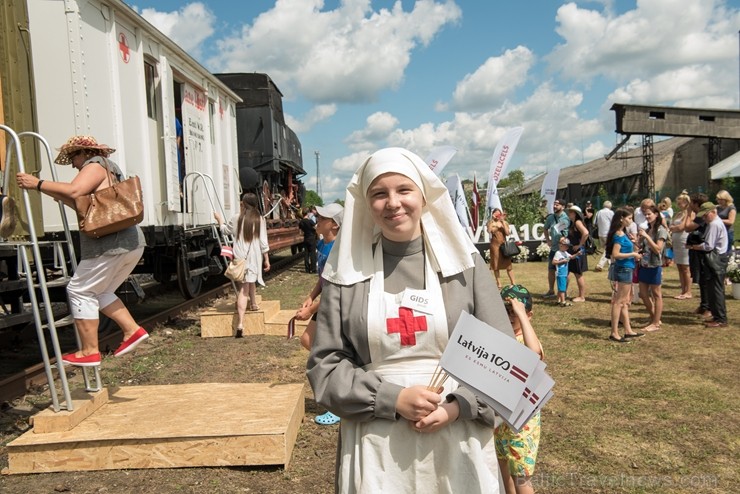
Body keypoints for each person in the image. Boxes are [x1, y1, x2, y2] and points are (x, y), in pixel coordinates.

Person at [307, 147, 512, 492]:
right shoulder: (346, 274)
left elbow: (503, 358)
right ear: (366, 203)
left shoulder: (466, 266)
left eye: (404, 190)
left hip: (456, 433)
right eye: (379, 194)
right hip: (375, 439)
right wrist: (391, 398)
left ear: (424, 196)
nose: (393, 203)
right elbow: (325, 367)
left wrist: (457, 406)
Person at [16, 135, 148, 366]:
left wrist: (36, 183)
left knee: (79, 290)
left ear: (83, 153)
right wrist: (48, 190)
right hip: (128, 243)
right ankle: (132, 331)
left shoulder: (94, 165)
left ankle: (89, 351)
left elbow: (75, 191)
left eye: (73, 158)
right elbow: (77, 200)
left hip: (110, 245)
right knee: (100, 292)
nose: (73, 164)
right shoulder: (109, 170)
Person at [294, 203, 343, 426]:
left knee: (319, 348)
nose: (317, 220)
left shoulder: (338, 250)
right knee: (308, 341)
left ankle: (338, 402)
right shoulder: (324, 244)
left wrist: (309, 311)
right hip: (323, 303)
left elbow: (334, 288)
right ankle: (341, 366)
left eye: (322, 218)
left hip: (333, 306)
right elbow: (323, 279)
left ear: (334, 224)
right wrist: (310, 296)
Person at [495, 284, 544, 494]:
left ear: (528, 314)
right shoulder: (498, 338)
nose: (509, 316)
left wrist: (521, 316)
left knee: (521, 478)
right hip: (499, 416)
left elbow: (534, 355)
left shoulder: (526, 338)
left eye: (512, 312)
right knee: (503, 469)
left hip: (522, 420)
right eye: (504, 311)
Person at [214, 193, 270, 338]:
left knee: (243, 290)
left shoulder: (236, 218)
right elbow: (263, 242)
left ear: (244, 204)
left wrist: (219, 220)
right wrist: (266, 259)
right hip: (254, 257)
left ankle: (240, 323)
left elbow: (225, 231)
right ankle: (254, 304)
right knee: (250, 280)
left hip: (240, 257)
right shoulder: (260, 219)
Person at [605, 208, 644, 342]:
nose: (631, 221)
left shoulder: (623, 234)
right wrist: (633, 254)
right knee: (619, 302)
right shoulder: (618, 235)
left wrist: (634, 246)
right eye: (629, 218)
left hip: (627, 268)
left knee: (624, 302)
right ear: (621, 218)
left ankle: (628, 330)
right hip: (624, 269)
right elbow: (616, 255)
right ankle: (614, 333)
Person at [689, 202, 729, 328]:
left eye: (705, 215)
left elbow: (708, 246)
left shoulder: (714, 225)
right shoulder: (715, 223)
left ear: (713, 212)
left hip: (715, 259)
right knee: (713, 288)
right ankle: (717, 316)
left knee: (716, 289)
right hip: (719, 259)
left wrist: (693, 246)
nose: (704, 218)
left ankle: (720, 319)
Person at [637, 205, 669, 332]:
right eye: (645, 214)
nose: (647, 216)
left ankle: (656, 323)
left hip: (655, 265)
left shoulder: (661, 230)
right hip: (644, 264)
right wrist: (637, 241)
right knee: (643, 294)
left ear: (656, 214)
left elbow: (658, 249)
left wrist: (647, 236)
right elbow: (645, 247)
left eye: (649, 214)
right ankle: (654, 317)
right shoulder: (648, 229)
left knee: (656, 294)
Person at [542, 198, 570, 297]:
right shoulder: (551, 218)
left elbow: (560, 229)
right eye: (554, 204)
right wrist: (548, 240)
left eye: (557, 205)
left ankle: (563, 292)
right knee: (551, 269)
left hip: (563, 249)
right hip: (554, 248)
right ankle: (551, 290)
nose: (554, 206)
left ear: (563, 207)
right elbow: (545, 228)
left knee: (564, 271)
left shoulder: (565, 218)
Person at [668, 193, 694, 299]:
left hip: (684, 240)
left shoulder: (689, 213)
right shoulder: (678, 213)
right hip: (676, 242)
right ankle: (683, 289)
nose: (678, 203)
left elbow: (682, 227)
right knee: (679, 266)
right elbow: (672, 226)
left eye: (681, 201)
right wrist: (674, 228)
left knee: (685, 267)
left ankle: (688, 291)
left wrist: (675, 228)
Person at [487, 208, 515, 288]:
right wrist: (495, 224)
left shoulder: (504, 222)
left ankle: (513, 282)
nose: (497, 216)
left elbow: (507, 233)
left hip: (504, 245)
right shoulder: (490, 222)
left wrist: (502, 222)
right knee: (496, 265)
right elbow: (489, 231)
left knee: (508, 265)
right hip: (494, 246)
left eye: (499, 214)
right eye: (496, 214)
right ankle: (499, 283)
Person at [565, 205, 589, 302]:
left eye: (570, 212)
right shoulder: (573, 223)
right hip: (574, 250)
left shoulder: (578, 222)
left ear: (575, 213)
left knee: (578, 274)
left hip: (577, 251)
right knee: (574, 273)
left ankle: (581, 296)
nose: (569, 214)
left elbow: (585, 233)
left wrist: (580, 245)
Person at [551, 238, 576, 307]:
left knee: (561, 287)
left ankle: (558, 300)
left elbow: (571, 257)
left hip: (565, 273)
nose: (567, 247)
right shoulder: (558, 253)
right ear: (561, 245)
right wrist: (562, 261)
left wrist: (577, 254)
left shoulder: (565, 253)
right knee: (562, 288)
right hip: (560, 273)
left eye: (568, 246)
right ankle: (563, 301)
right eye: (566, 246)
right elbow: (553, 262)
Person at [594, 200, 614, 272]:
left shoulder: (598, 212)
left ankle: (610, 264)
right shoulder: (610, 212)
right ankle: (600, 265)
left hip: (600, 233)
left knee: (607, 249)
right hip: (608, 233)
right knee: (608, 250)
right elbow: (613, 222)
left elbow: (594, 223)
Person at [715, 190, 736, 255]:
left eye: (721, 199)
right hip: (718, 231)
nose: (719, 201)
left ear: (727, 199)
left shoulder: (731, 208)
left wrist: (717, 219)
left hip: (727, 231)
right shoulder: (717, 207)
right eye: (718, 199)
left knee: (727, 250)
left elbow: (731, 221)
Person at [298, 207, 318, 273]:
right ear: (307, 213)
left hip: (305, 238)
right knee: (313, 254)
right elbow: (316, 228)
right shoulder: (310, 221)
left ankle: (307, 269)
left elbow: (300, 233)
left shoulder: (300, 222)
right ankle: (313, 269)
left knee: (306, 254)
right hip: (312, 238)